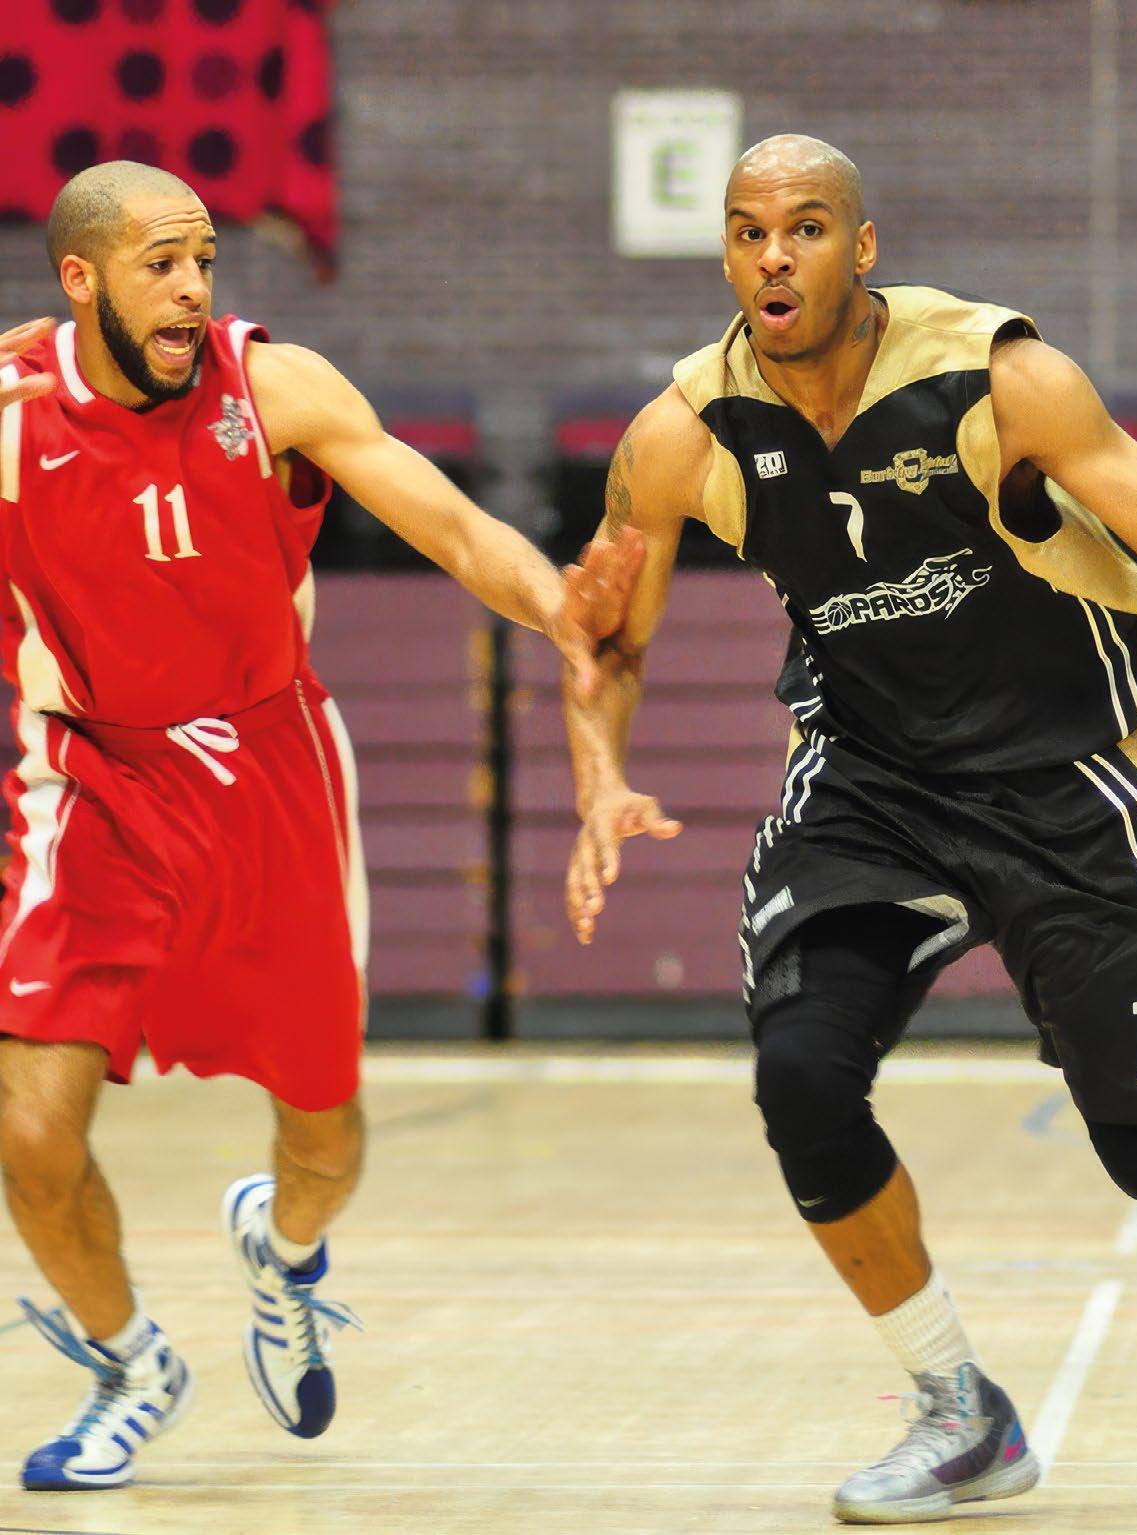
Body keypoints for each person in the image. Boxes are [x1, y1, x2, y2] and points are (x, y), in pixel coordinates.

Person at [562, 133, 1137, 1524]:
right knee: (803, 1077)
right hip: (873, 788)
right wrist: (599, 776)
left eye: (806, 227)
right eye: (750, 231)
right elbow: (607, 639)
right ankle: (960, 1410)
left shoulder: (1000, 380)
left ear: (861, 247)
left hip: (1073, 784)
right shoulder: (685, 433)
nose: (775, 255)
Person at [0, 160, 639, 1492]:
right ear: (80, 280)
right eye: (161, 265)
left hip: (272, 776)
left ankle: (284, 1256)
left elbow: (455, 528)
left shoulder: (273, 389)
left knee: (325, 1140)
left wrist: (561, 611)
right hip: (95, 780)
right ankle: (131, 1367)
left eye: (203, 261)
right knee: (29, 1129)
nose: (193, 288)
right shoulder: (14, 415)